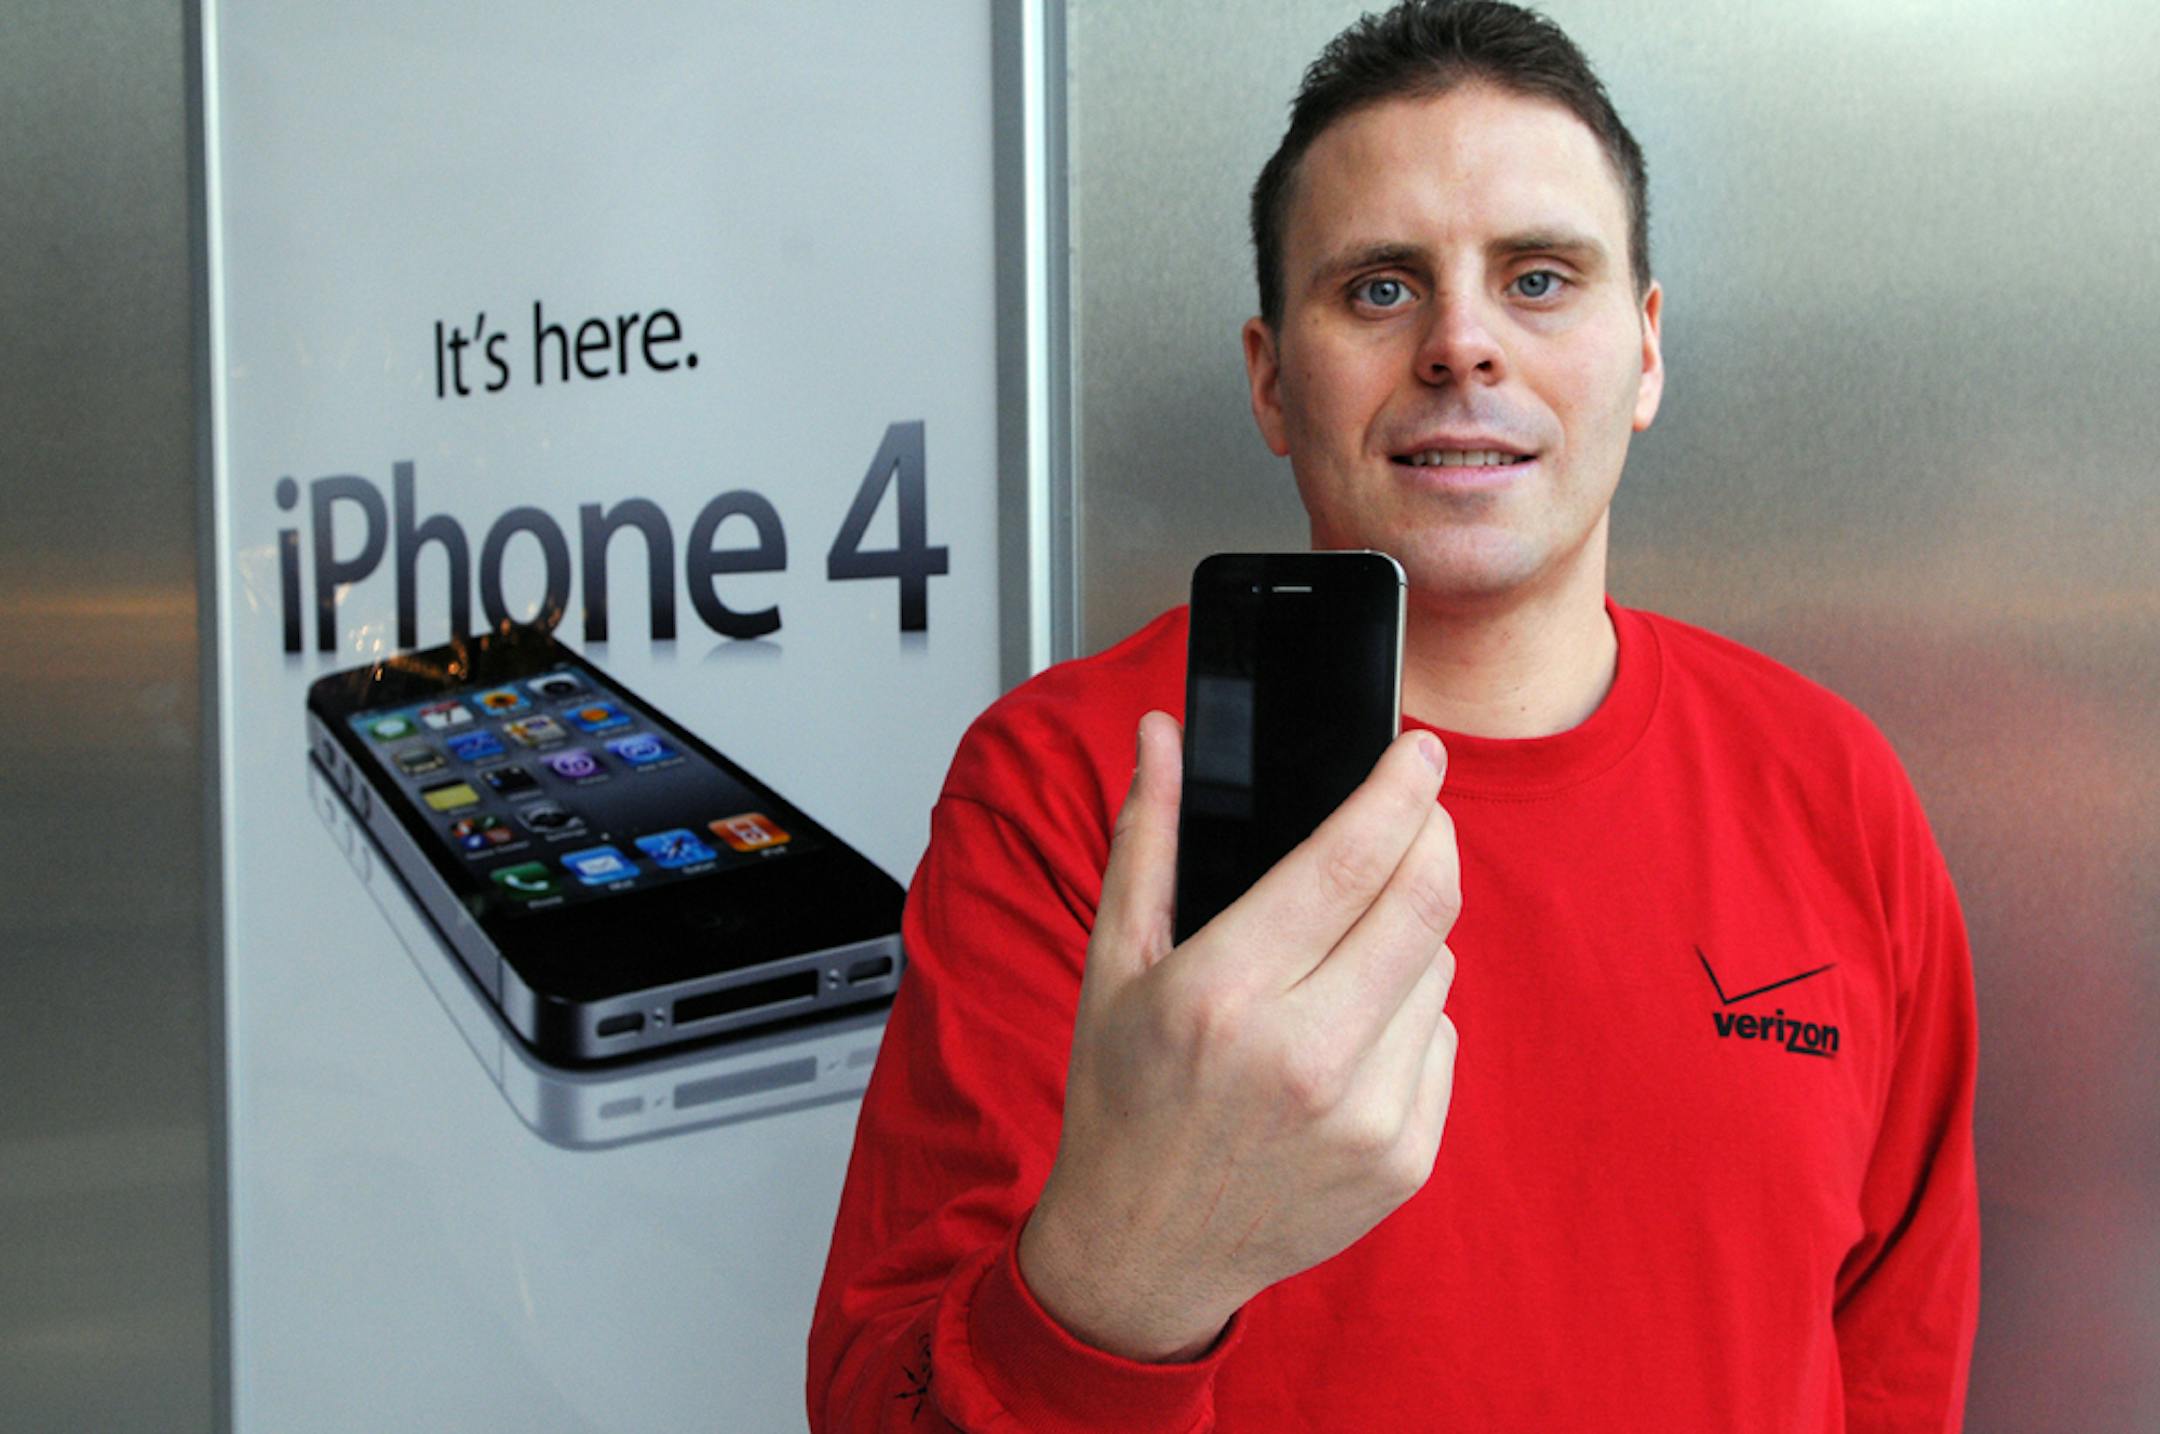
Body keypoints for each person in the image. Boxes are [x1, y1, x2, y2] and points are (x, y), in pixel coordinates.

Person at [808, 2, 1980, 1428]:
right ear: (1269, 381)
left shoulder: (1833, 787)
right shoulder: (1073, 789)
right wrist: (1135, 1265)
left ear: (1648, 352)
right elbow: (886, 1404)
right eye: (1378, 288)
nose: (1462, 345)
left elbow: (1895, 1365)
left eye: (1540, 278)